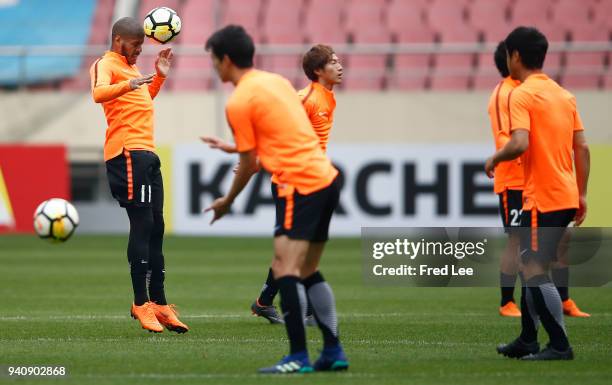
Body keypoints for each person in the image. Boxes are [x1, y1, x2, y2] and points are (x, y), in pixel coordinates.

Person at [204, 25, 348, 373]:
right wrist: (239, 146)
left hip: (299, 183)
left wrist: (227, 200)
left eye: (213, 59)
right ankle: (332, 351)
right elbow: (281, 133)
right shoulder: (277, 82)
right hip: (327, 178)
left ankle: (298, 357)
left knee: (285, 268)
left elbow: (250, 165)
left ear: (225, 60)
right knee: (307, 269)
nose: (213, 67)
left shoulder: (238, 101)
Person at [485, 26, 590, 360]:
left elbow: (519, 142)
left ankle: (559, 344)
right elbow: (582, 148)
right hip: (567, 192)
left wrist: (494, 158)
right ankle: (528, 339)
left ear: (514, 56)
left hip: (541, 195)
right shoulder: (563, 94)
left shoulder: (522, 94)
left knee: (532, 268)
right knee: (536, 263)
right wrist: (583, 194)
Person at [90, 17, 188, 334]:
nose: (138, 53)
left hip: (146, 152)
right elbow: (98, 92)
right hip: (126, 152)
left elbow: (142, 99)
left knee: (157, 226)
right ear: (119, 40)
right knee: (143, 224)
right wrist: (128, 84)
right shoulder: (106, 63)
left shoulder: (131, 70)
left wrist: (158, 76)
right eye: (135, 46)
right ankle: (140, 303)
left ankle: (159, 303)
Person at [487, 41, 523, 318]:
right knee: (517, 240)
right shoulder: (505, 93)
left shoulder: (521, 91)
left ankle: (561, 298)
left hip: (534, 178)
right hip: (515, 178)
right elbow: (506, 139)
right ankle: (507, 301)